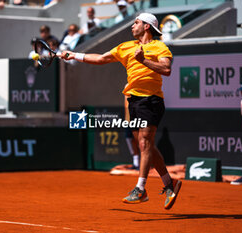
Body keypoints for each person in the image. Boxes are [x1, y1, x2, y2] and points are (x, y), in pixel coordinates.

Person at [61, 13, 182, 209]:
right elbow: (101, 59)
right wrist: (75, 55)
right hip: (133, 101)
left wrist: (144, 60)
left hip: (151, 100)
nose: (132, 26)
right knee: (146, 146)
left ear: (147, 27)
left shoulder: (159, 46)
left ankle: (140, 189)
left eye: (136, 23)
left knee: (144, 143)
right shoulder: (126, 47)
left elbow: (166, 69)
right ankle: (170, 183)